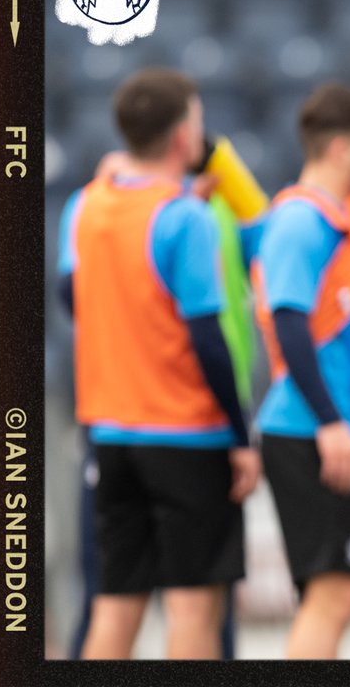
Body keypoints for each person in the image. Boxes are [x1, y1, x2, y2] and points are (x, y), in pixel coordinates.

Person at [61, 68, 260, 659]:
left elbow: (69, 295)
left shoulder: (85, 203)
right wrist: (240, 433)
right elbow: (207, 337)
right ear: (182, 137)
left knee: (114, 606)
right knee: (194, 608)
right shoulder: (184, 218)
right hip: (186, 437)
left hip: (110, 433)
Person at [252, 83, 350, 659]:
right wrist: (331, 421)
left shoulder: (337, 224)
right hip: (313, 430)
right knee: (334, 595)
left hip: (337, 428)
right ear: (341, 150)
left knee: (337, 593)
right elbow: (288, 322)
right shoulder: (299, 219)